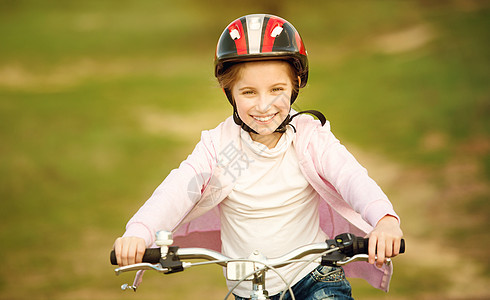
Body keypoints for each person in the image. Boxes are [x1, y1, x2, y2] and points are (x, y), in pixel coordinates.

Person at [113, 14, 403, 300]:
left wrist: (385, 219)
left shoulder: (308, 138)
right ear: (230, 92)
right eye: (249, 92)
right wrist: (140, 232)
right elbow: (179, 189)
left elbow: (350, 176)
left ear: (295, 86)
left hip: (314, 276)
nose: (264, 106)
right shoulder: (223, 148)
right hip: (247, 290)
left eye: (277, 90)